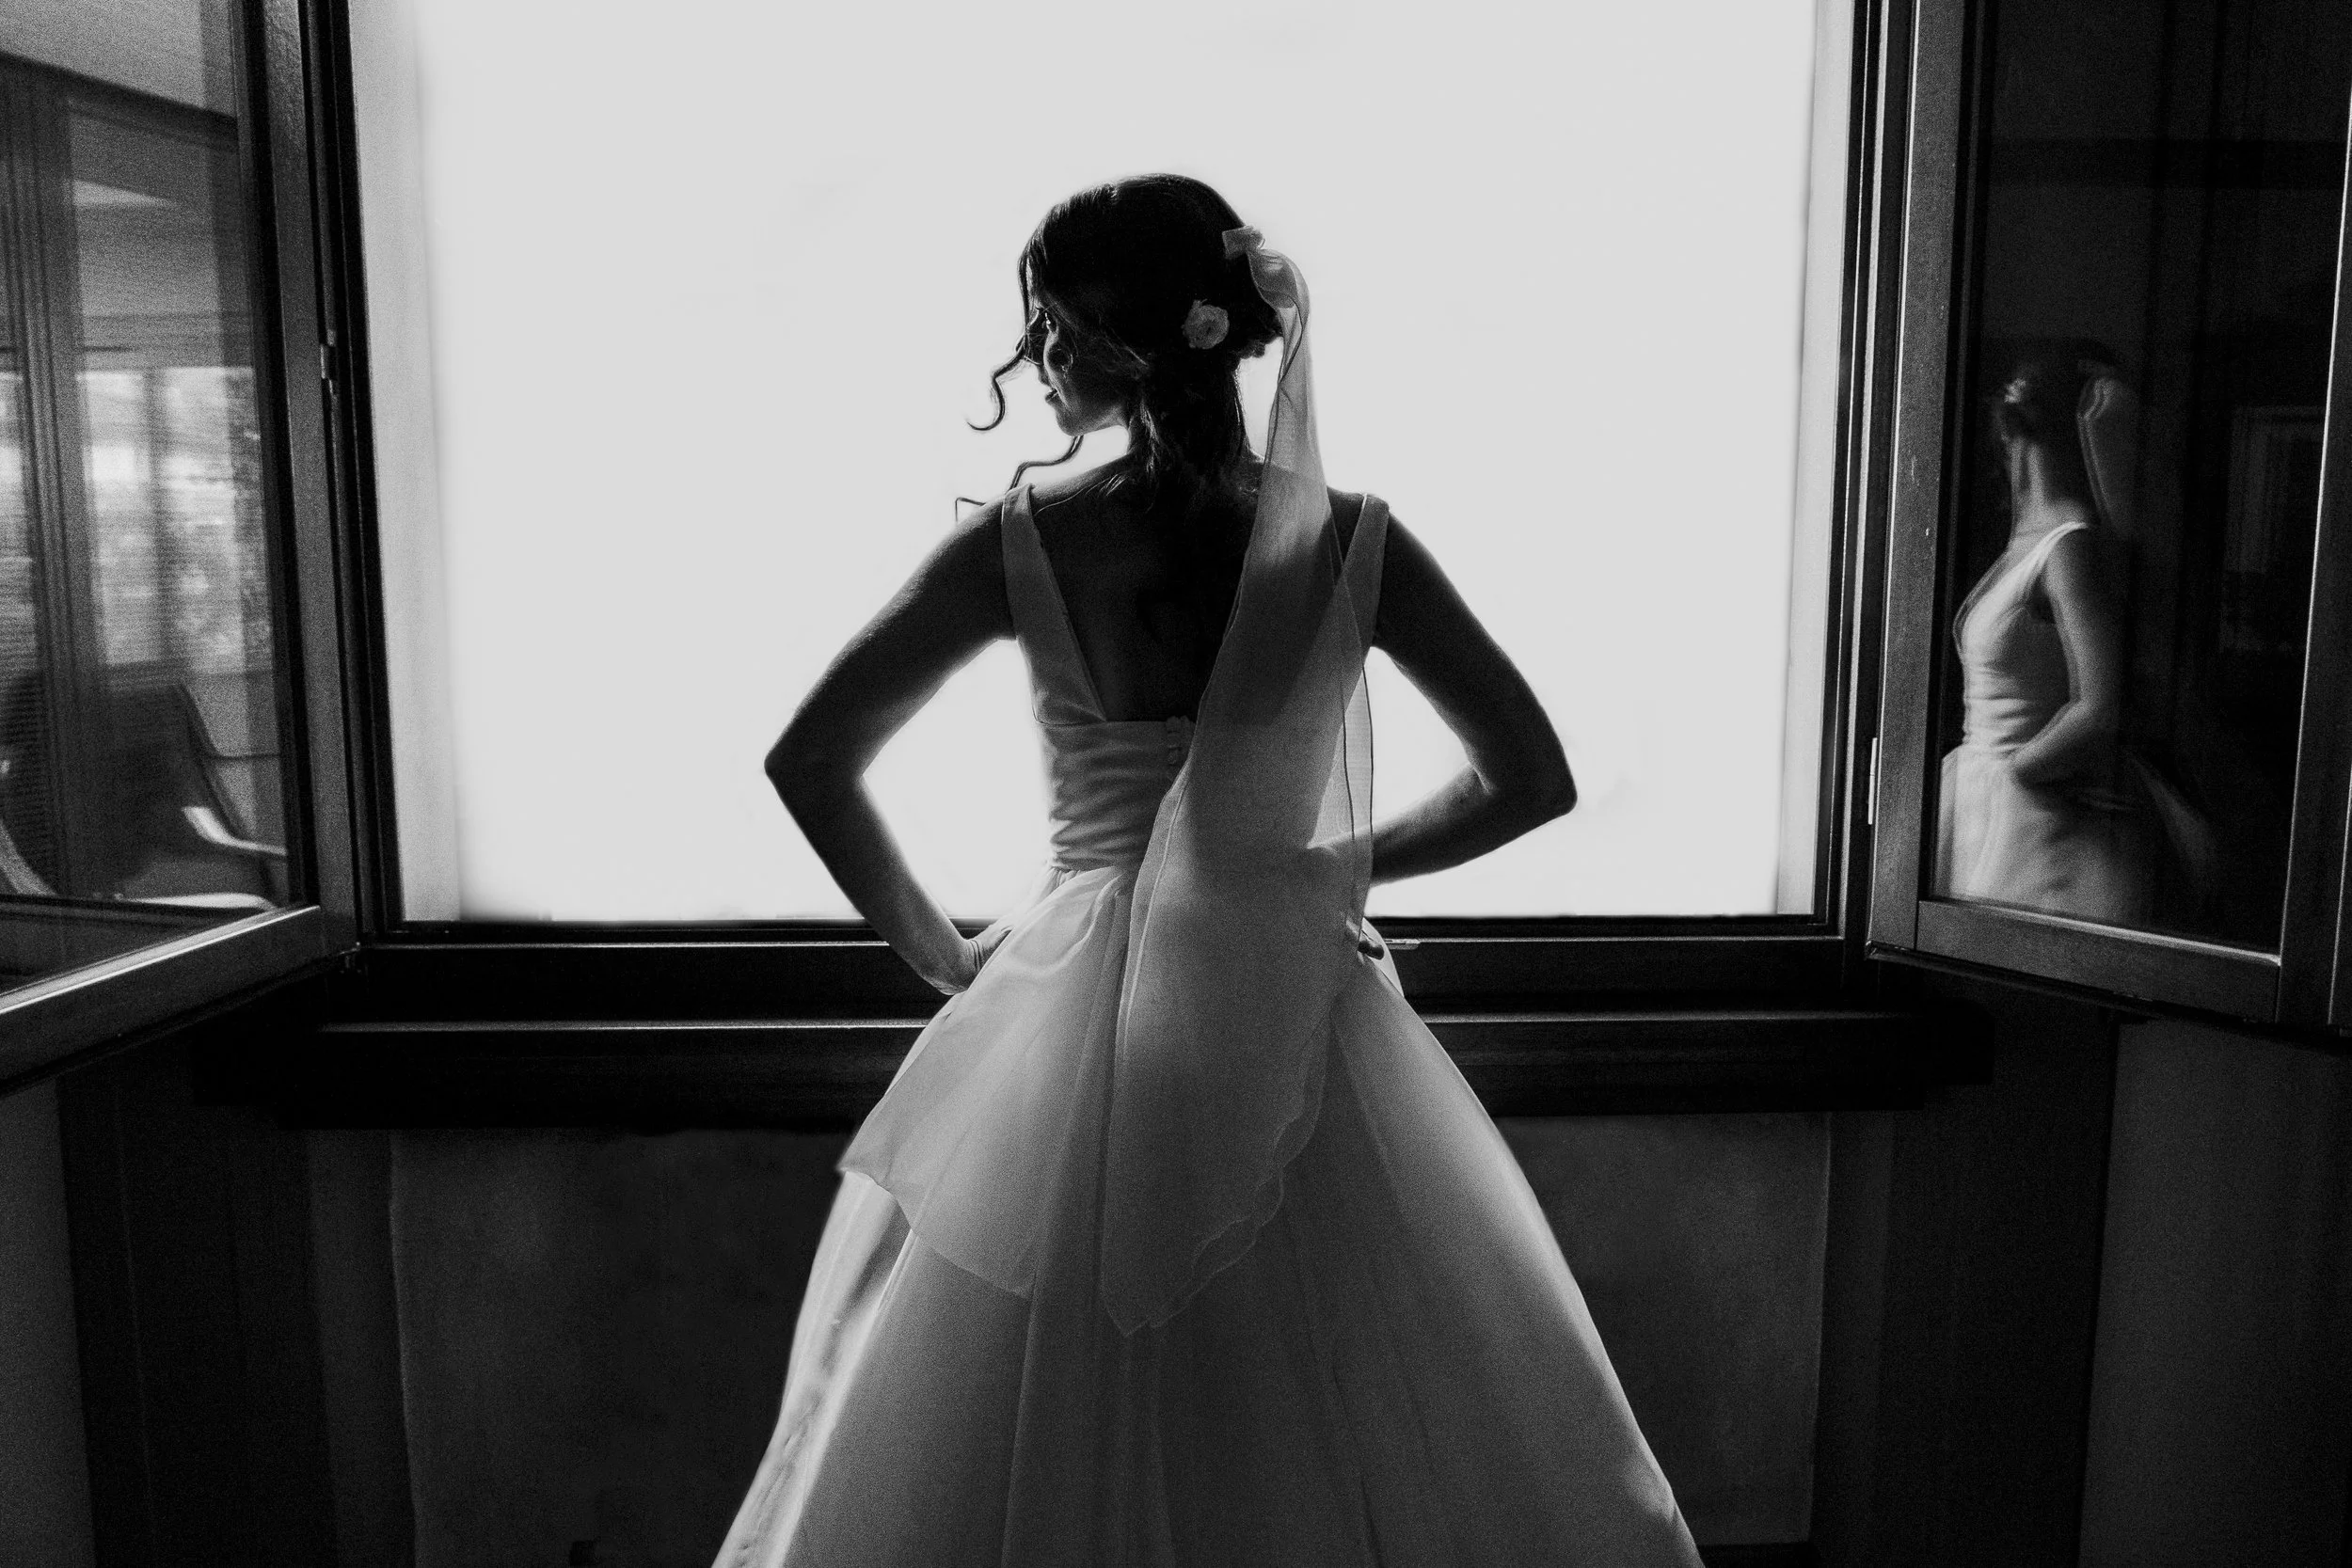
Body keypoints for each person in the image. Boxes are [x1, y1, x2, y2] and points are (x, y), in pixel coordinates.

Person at [714, 174, 1702, 1567]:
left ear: (1097, 341)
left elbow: (811, 757)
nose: (1035, 360)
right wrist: (1319, 867)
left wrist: (953, 959)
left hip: (1070, 1014)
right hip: (1288, 1001)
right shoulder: (1353, 540)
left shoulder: (1020, 547)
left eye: (1042, 327)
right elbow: (1529, 778)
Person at [1934, 357, 2153, 925]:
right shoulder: (2028, 543)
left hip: (2033, 824)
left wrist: (2019, 772)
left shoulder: (2068, 547)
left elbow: (2101, 707)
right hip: (1981, 802)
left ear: (2016, 436)